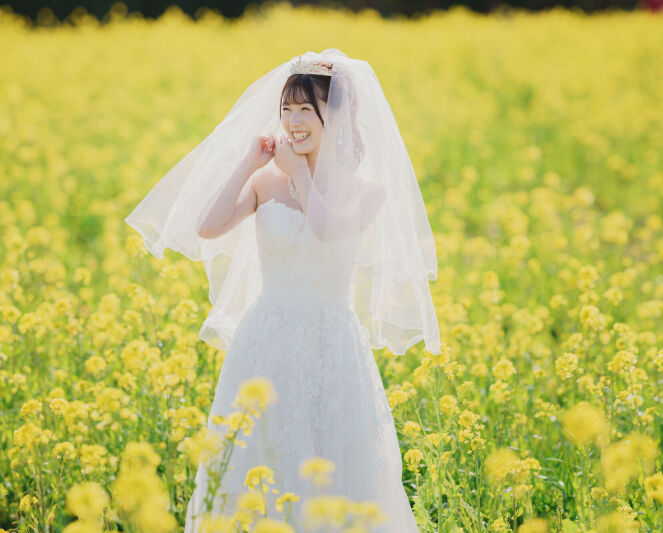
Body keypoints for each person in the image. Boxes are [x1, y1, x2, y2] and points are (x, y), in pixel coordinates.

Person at [124, 49, 441, 531]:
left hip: (331, 342)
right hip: (264, 338)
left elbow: (329, 230)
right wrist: (249, 162)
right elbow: (208, 227)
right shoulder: (265, 180)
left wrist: (298, 174)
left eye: (305, 110)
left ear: (334, 116)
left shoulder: (365, 191)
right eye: (287, 110)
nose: (293, 122)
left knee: (330, 459)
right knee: (256, 457)